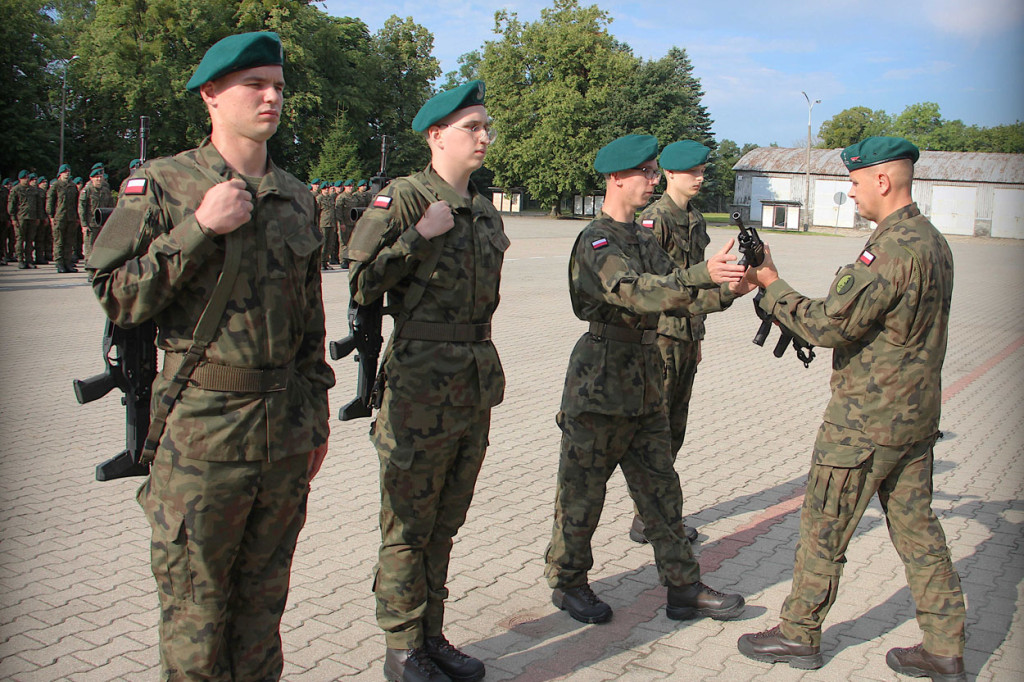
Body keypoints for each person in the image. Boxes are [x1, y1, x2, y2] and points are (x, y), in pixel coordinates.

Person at [88, 31, 335, 680]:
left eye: (278, 85)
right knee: (196, 625)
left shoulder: (297, 195)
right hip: (203, 439)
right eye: (255, 84)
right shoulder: (162, 184)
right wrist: (198, 228)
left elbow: (310, 321)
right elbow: (115, 293)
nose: (271, 95)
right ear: (211, 95)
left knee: (262, 617)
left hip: (284, 437)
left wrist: (318, 418)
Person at [736, 137, 966, 681]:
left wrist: (770, 284)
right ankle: (945, 644)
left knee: (823, 527)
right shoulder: (933, 242)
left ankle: (798, 633)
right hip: (914, 420)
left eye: (856, 182)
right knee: (918, 531)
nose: (852, 192)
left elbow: (828, 325)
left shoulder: (887, 250)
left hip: (864, 424)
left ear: (883, 181)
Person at [544, 134, 754, 627]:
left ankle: (683, 588)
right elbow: (637, 294)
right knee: (581, 495)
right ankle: (569, 582)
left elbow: (676, 297)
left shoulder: (642, 237)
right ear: (617, 177)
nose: (654, 180)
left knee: (662, 493)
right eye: (646, 172)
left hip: (644, 382)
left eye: (656, 171)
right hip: (599, 382)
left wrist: (727, 291)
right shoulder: (597, 239)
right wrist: (701, 274)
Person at [347, 79, 506, 682]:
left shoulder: (485, 208)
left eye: (486, 126)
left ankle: (432, 635)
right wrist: (420, 236)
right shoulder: (406, 198)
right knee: (407, 523)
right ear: (436, 136)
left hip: (471, 383)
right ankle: (401, 646)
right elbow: (362, 284)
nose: (484, 137)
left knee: (446, 519)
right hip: (417, 386)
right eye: (472, 127)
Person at [630, 139, 732, 546]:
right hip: (661, 338)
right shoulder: (655, 220)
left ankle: (651, 513)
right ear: (670, 174)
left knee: (675, 428)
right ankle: (650, 517)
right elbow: (653, 288)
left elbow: (697, 276)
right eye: (693, 172)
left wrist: (698, 333)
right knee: (656, 429)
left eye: (703, 171)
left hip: (686, 335)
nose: (700, 178)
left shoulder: (695, 218)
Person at [47, 164, 80, 273]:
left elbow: (76, 202)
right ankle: (59, 263)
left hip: (71, 217)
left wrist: (77, 217)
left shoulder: (72, 186)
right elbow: (50, 202)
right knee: (59, 241)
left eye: (68, 171)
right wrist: (51, 216)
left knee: (69, 241)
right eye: (64, 171)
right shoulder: (56, 186)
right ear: (60, 173)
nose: (67, 173)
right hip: (59, 217)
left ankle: (68, 262)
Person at [79, 166, 114, 260]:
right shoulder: (87, 190)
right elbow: (81, 208)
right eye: (96, 177)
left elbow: (111, 207)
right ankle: (90, 268)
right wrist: (84, 224)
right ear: (91, 178)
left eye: (100, 177)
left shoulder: (106, 191)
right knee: (90, 247)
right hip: (91, 223)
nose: (98, 179)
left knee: (102, 247)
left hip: (102, 224)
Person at [7, 171, 38, 269]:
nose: (26, 179)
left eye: (27, 177)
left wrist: (38, 217)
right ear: (20, 179)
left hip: (32, 217)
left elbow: (37, 205)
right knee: (20, 239)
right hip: (21, 218)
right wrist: (13, 218)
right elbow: (11, 205)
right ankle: (20, 259)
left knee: (30, 240)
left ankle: (29, 260)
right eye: (24, 178)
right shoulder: (16, 189)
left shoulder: (33, 190)